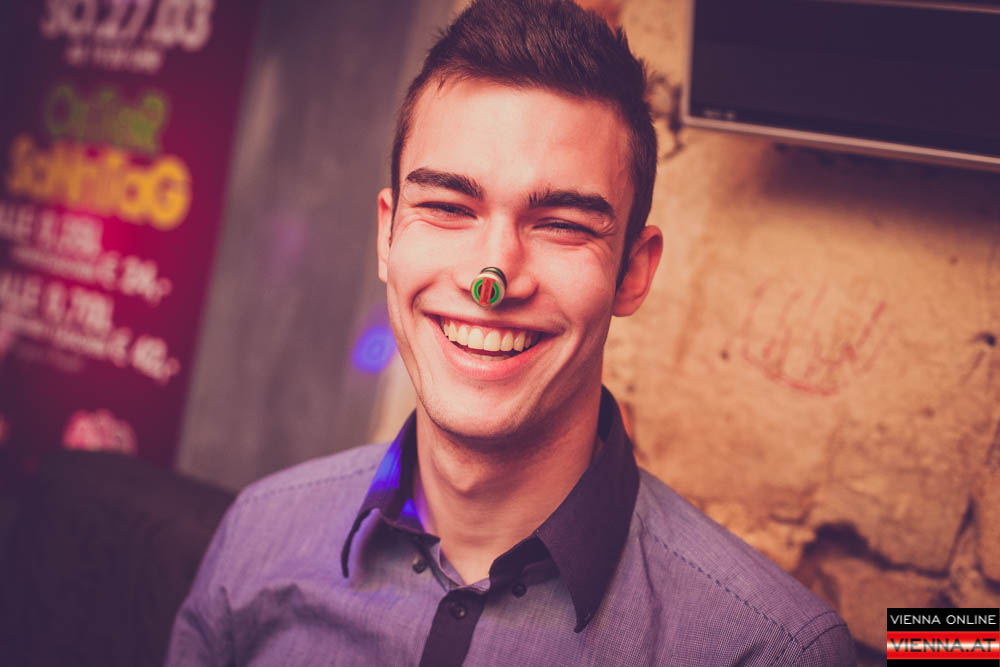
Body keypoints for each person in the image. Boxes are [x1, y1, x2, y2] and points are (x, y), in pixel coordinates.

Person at [167, 1, 856, 664]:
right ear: (387, 235)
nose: (491, 279)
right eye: (448, 206)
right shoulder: (256, 538)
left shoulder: (771, 651)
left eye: (561, 223)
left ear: (633, 273)